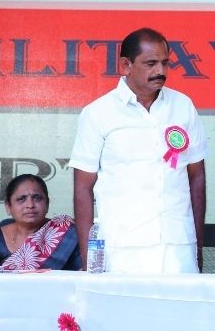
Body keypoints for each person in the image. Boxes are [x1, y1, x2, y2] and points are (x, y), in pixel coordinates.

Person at [69, 28, 207, 274]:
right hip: (121, 249)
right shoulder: (98, 113)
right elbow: (83, 188)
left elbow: (196, 177)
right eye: (151, 63)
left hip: (178, 248)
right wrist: (89, 256)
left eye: (165, 63)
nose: (161, 71)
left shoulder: (183, 106)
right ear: (126, 65)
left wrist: (196, 247)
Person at [0, 174, 81, 270]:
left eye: (37, 198)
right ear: (8, 206)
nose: (30, 205)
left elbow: (79, 277)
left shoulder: (68, 234)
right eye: (21, 199)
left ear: (47, 204)